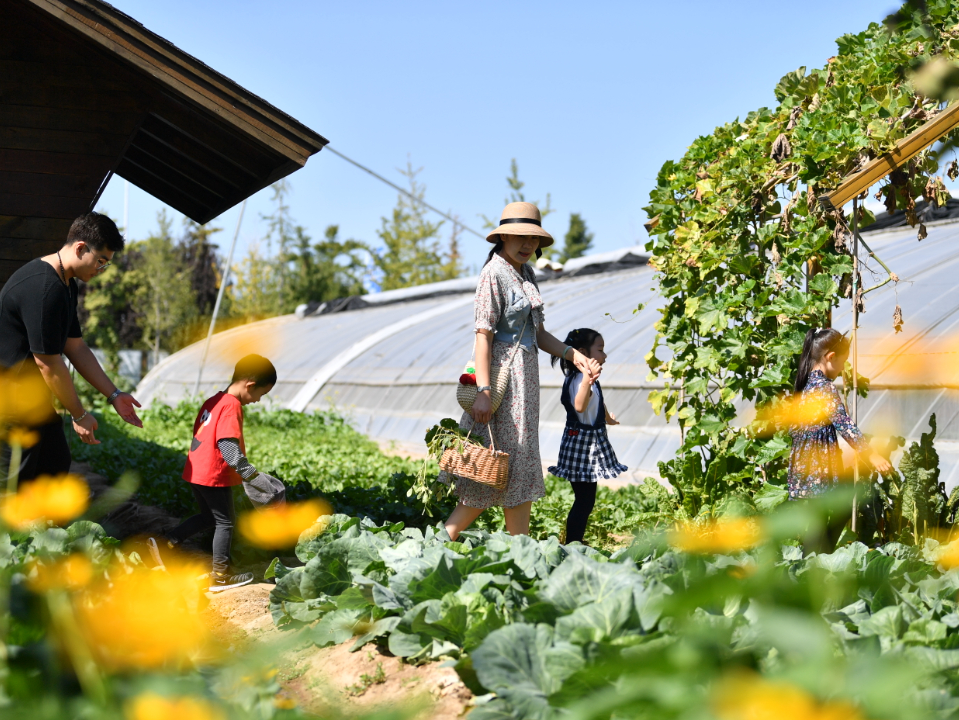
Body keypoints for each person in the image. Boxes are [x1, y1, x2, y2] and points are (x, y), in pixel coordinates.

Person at [442, 202, 602, 541]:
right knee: (494, 463)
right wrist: (484, 392)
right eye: (520, 237)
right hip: (501, 378)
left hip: (525, 379)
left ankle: (520, 549)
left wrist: (574, 356)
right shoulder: (493, 273)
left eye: (534, 239)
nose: (528, 245)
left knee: (518, 461)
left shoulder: (526, 274)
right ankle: (443, 540)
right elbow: (483, 337)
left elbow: (539, 335)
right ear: (503, 236)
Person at [0, 212, 142, 481]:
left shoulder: (65, 284)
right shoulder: (44, 288)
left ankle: (40, 523)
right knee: (12, 483)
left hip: (31, 398)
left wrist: (114, 395)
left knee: (55, 462)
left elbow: (75, 347)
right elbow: (49, 363)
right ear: (80, 248)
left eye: (106, 264)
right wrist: (79, 414)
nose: (100, 270)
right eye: (100, 261)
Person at [149, 354, 277, 592]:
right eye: (261, 394)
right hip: (213, 474)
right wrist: (251, 475)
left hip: (195, 470)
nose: (258, 400)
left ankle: (167, 543)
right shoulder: (232, 406)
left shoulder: (214, 400)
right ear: (250, 385)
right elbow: (228, 448)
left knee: (209, 517)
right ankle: (220, 575)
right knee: (225, 522)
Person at [787, 328, 892, 548]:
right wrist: (871, 456)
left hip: (806, 466)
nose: (844, 368)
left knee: (815, 524)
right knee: (837, 511)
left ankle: (813, 561)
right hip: (818, 468)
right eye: (843, 362)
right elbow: (844, 424)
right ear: (830, 357)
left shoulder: (806, 384)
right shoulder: (824, 388)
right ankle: (816, 560)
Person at [547, 328, 628, 544]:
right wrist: (586, 379)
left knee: (586, 499)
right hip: (580, 446)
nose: (604, 355)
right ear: (582, 353)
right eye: (600, 350)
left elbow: (596, 402)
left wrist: (607, 418)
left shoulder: (589, 380)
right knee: (584, 500)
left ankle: (575, 541)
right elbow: (580, 406)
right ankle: (573, 542)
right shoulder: (578, 381)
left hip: (590, 443)